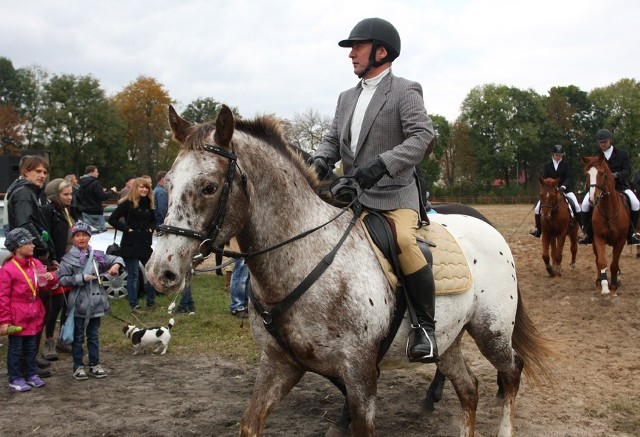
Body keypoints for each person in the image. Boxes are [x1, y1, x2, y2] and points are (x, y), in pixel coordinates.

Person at [311, 18, 437, 362]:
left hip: (395, 194)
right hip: (353, 195)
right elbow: (333, 140)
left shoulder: (404, 90)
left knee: (405, 243)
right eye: (351, 48)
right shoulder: (345, 97)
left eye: (358, 47)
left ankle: (425, 326)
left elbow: (422, 137)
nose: (351, 54)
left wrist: (382, 165)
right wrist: (321, 161)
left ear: (381, 51)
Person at [58, 222, 124, 380]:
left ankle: (95, 364)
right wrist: (81, 278)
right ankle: (78, 365)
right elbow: (62, 280)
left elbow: (118, 258)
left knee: (94, 335)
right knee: (78, 336)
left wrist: (116, 265)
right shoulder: (67, 259)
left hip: (96, 304)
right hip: (79, 304)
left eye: (85, 235)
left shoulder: (97, 255)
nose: (81, 238)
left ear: (89, 236)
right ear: (73, 238)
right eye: (77, 235)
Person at [0, 227, 58, 392]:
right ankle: (15, 377)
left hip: (34, 312)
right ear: (19, 247)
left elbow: (47, 283)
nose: (33, 245)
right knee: (16, 349)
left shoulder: (36, 263)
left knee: (31, 346)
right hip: (17, 315)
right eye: (29, 242)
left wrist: (51, 277)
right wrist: (4, 321)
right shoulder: (8, 269)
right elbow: (2, 297)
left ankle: (30, 373)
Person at [579, 129, 640, 245]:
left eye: (605, 142)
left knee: (635, 202)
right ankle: (588, 233)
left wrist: (616, 175)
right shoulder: (596, 156)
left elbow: (627, 171)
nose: (602, 144)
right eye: (600, 142)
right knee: (586, 204)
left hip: (619, 186)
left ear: (610, 141)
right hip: (599, 188)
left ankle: (632, 233)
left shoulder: (622, 154)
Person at [107, 177, 157, 312]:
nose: (144, 189)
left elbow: (155, 220)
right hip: (131, 243)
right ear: (135, 188)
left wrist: (151, 228)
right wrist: (126, 229)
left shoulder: (149, 203)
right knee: (134, 274)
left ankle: (151, 302)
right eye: (141, 187)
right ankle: (134, 304)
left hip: (145, 243)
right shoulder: (127, 203)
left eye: (146, 187)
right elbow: (113, 219)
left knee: (151, 273)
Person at [42, 178, 78, 358]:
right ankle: (49, 341)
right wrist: (52, 260)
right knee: (55, 304)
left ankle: (65, 339)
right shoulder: (48, 212)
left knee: (69, 304)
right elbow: (46, 238)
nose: (70, 197)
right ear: (55, 195)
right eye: (66, 194)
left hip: (71, 263)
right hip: (57, 263)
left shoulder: (68, 212)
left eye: (71, 194)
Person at [529, 145, 582, 238]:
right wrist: (549, 187)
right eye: (556, 155)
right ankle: (538, 229)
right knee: (537, 208)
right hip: (550, 191)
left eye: (560, 155)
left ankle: (583, 229)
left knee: (577, 206)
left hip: (565, 190)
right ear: (552, 155)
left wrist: (563, 186)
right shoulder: (547, 165)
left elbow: (569, 177)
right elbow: (544, 178)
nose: (558, 157)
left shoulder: (565, 165)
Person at [77, 165, 117, 232]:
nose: (98, 173)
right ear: (91, 172)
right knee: (100, 232)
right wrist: (112, 191)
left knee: (88, 231)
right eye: (96, 172)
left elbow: (82, 195)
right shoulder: (95, 183)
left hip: (85, 212)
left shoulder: (81, 183)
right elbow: (102, 197)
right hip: (96, 212)